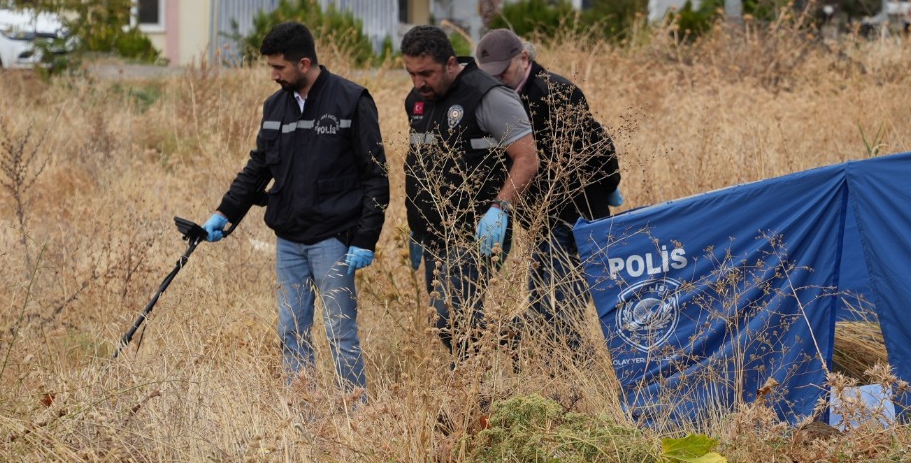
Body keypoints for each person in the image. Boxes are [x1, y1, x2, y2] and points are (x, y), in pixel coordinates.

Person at [197, 21, 388, 396]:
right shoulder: (275, 107)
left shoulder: (350, 100)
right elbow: (257, 168)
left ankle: (358, 411)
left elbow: (376, 176)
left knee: (340, 331)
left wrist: (366, 237)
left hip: (334, 239)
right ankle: (304, 413)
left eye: (278, 68)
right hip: (289, 241)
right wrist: (224, 213)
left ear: (303, 63)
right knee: (291, 330)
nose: (273, 75)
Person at [474, 28, 622, 352]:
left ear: (524, 58)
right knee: (545, 302)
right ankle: (550, 366)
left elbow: (596, 145)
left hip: (576, 215)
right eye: (490, 76)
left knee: (560, 307)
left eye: (503, 72)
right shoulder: (499, 97)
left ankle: (570, 375)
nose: (497, 80)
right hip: (542, 219)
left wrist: (611, 184)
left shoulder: (556, 91)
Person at [400, 24, 539, 358]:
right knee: (445, 320)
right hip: (434, 232)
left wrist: (499, 209)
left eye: (427, 73)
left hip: (478, 230)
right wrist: (418, 227)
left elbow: (527, 159)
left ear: (451, 63)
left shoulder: (488, 95)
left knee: (450, 316)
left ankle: (466, 393)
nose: (419, 83)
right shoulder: (417, 101)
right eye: (411, 74)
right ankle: (508, 341)